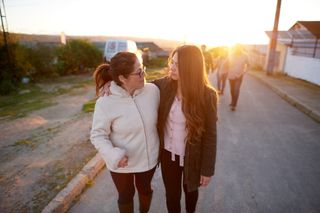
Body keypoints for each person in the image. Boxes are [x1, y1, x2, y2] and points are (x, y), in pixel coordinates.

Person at [90, 52, 160, 213]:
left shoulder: (153, 91)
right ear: (122, 78)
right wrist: (114, 154)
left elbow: (173, 83)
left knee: (145, 190)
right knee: (126, 195)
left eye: (143, 69)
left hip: (147, 159)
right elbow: (97, 135)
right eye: (139, 72)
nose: (144, 74)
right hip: (121, 162)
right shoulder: (105, 102)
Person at [153, 45, 218, 213]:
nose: (171, 67)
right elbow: (140, 85)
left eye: (177, 65)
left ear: (191, 68)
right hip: (168, 155)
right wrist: (110, 82)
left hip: (194, 157)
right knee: (172, 197)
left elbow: (211, 135)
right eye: (172, 62)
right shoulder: (164, 85)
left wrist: (207, 169)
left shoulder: (207, 95)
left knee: (191, 194)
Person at [227, 44, 249, 111]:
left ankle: (234, 105)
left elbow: (249, 65)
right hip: (231, 75)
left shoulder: (245, 55)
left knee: (236, 89)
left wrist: (244, 72)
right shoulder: (231, 54)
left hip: (239, 76)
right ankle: (232, 101)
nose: (237, 49)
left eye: (239, 48)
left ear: (241, 48)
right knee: (232, 90)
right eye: (236, 48)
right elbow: (227, 63)